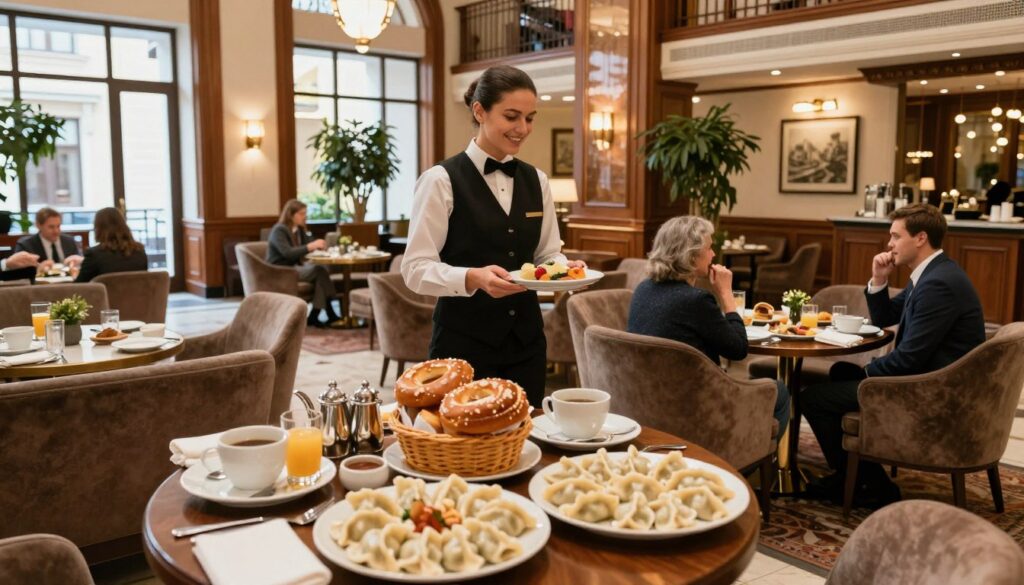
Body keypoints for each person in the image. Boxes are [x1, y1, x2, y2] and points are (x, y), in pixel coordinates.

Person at [402, 65, 581, 407]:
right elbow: (415, 269)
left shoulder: (537, 180)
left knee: (525, 443)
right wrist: (471, 277)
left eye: (530, 118)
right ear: (479, 111)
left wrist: (562, 269)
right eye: (512, 116)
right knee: (461, 451)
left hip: (526, 344)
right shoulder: (440, 180)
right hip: (462, 346)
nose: (522, 129)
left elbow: (547, 254)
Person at [803, 203, 985, 507]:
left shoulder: (939, 284)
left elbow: (909, 360)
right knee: (839, 374)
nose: (889, 244)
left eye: (895, 236)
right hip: (927, 378)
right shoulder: (931, 274)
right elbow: (885, 316)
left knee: (815, 398)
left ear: (920, 238)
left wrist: (867, 373)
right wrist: (879, 279)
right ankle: (858, 474)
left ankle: (871, 484)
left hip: (931, 392)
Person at [627, 216, 790, 438]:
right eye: (709, 248)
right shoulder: (696, 300)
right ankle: (752, 461)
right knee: (779, 390)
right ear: (692, 255)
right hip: (699, 406)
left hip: (646, 404)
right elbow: (737, 349)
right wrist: (725, 293)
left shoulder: (642, 290)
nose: (713, 254)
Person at [267, 199, 342, 327]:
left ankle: (317, 315)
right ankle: (327, 312)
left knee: (320, 274)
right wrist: (311, 246)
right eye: (302, 213)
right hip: (281, 270)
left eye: (305, 213)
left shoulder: (299, 230)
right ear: (291, 215)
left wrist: (318, 247)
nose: (305, 216)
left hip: (295, 268)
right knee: (319, 270)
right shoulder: (279, 230)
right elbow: (288, 253)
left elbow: (308, 246)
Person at [74, 207, 148, 282]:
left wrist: (74, 274)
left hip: (105, 294)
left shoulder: (93, 254)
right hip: (137, 293)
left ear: (98, 228)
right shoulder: (140, 251)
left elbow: (79, 288)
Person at [14, 207, 84, 270]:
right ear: (38, 225)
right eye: (51, 227)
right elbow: (20, 272)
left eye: (58, 226)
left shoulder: (69, 241)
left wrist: (76, 263)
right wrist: (39, 269)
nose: (56, 231)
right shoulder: (26, 245)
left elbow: (80, 264)